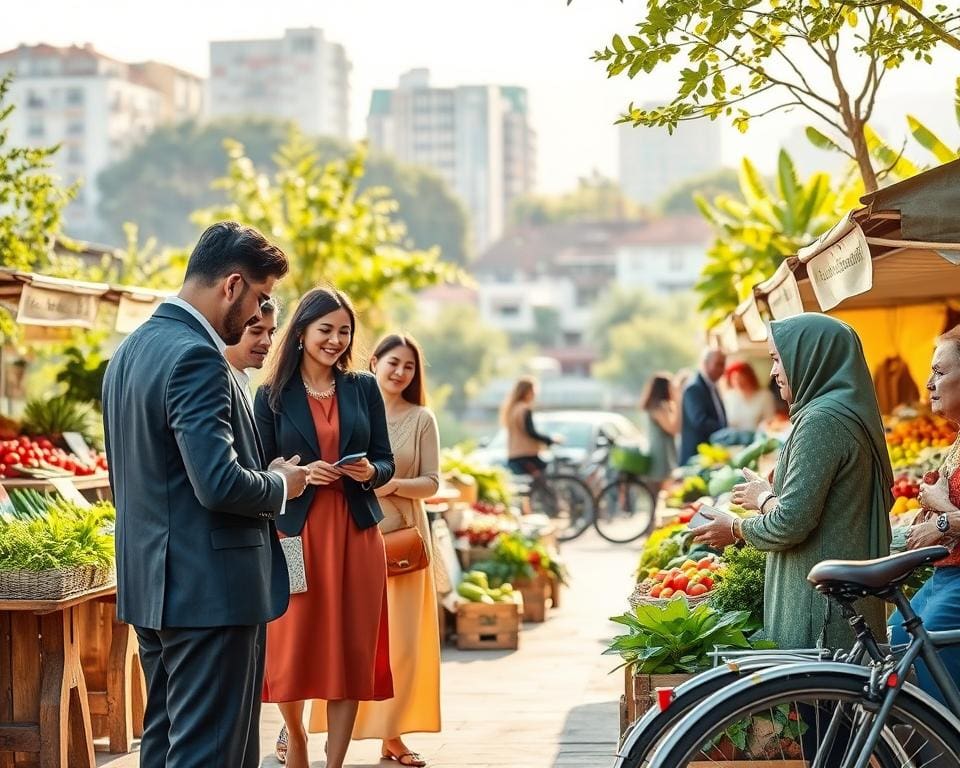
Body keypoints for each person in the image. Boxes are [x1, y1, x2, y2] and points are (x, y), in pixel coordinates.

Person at [101, 221, 308, 768]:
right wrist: (280, 484)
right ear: (233, 285)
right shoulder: (197, 357)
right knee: (211, 753)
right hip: (210, 593)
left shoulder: (130, 351)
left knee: (165, 743)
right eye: (260, 296)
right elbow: (218, 483)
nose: (259, 311)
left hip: (153, 585)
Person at [255, 287, 395, 768]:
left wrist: (370, 471)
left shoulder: (364, 388)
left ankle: (334, 763)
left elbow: (386, 461)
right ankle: (295, 738)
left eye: (344, 332)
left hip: (357, 534)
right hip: (295, 534)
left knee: (351, 649)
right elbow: (259, 466)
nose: (336, 340)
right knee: (292, 643)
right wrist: (292, 474)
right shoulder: (271, 396)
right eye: (326, 330)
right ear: (301, 332)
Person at [692, 313, 892, 650]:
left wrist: (736, 528)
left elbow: (790, 523)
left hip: (822, 611)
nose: (773, 372)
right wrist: (770, 495)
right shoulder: (841, 413)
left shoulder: (821, 423)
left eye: (777, 359)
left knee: (819, 686)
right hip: (837, 600)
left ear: (810, 357)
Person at [313, 332, 442, 767]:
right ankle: (307, 731)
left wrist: (389, 483)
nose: (400, 372)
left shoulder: (422, 419)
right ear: (374, 363)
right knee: (336, 639)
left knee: (400, 644)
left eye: (409, 366)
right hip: (347, 538)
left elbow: (432, 482)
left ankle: (394, 735)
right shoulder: (349, 407)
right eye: (393, 362)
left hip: (402, 542)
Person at [891, 325, 960, 703]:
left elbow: (947, 514)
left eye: (939, 371)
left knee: (926, 649)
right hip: (944, 576)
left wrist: (943, 517)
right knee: (896, 635)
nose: (929, 383)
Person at [224, 298, 279, 404]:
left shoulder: (241, 379)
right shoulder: (215, 383)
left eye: (271, 333)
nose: (267, 342)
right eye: (256, 332)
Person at [502, 375, 559, 476]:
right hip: (526, 456)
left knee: (537, 482)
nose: (534, 395)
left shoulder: (512, 409)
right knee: (545, 479)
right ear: (527, 392)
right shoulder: (524, 409)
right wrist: (550, 440)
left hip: (514, 455)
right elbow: (531, 432)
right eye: (533, 391)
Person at [679, 349, 728, 464]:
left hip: (711, 453)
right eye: (718, 364)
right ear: (706, 363)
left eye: (723, 364)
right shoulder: (694, 388)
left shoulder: (712, 386)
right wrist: (726, 431)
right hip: (696, 456)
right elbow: (700, 421)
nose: (722, 369)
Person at [639, 372, 679, 489]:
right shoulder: (658, 407)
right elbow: (673, 429)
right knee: (659, 490)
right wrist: (678, 401)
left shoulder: (657, 406)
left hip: (661, 453)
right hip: (660, 456)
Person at [722, 360, 773, 432]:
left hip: (757, 436)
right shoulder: (728, 397)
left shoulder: (765, 396)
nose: (738, 381)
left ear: (749, 377)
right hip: (733, 437)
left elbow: (769, 421)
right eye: (734, 378)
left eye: (740, 377)